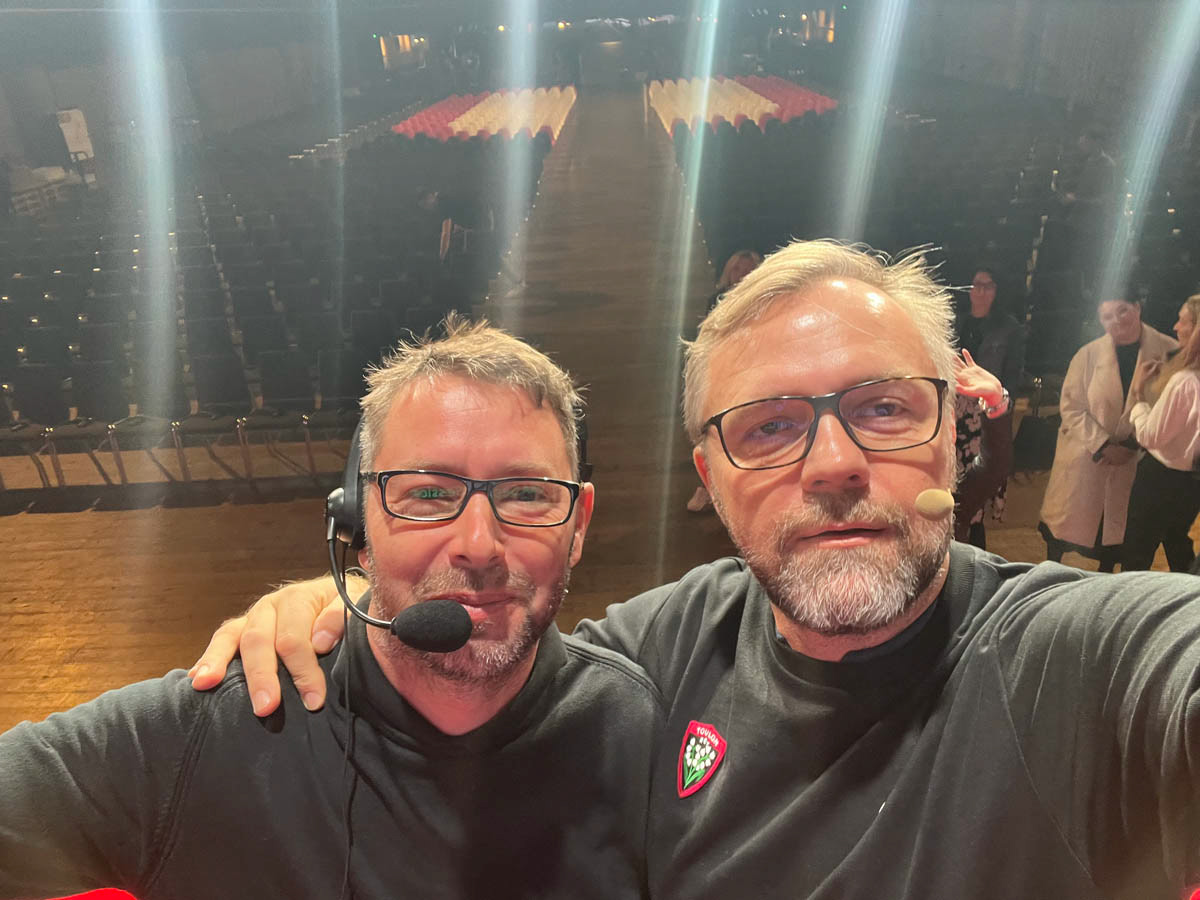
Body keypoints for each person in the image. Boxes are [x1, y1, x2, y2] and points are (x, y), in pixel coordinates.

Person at [196, 240, 1200, 899]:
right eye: (768, 428)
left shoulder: (1084, 660)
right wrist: (346, 604)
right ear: (712, 481)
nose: (835, 463)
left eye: (885, 408)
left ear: (953, 439)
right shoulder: (659, 656)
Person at [0, 317, 662, 898]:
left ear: (579, 525)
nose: (478, 544)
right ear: (357, 529)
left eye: (527, 494)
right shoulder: (214, 732)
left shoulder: (643, 733)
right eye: (429, 494)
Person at [1038, 296, 1176, 570]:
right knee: (1066, 535)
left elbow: (1173, 408)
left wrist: (1132, 445)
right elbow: (1071, 407)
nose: (1116, 321)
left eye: (1123, 311)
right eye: (1107, 316)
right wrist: (1103, 445)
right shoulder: (1087, 355)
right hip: (1088, 459)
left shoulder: (1170, 351)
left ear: (1138, 307)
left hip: (1138, 460)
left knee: (1122, 540)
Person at [1120, 295, 1200, 571]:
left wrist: (1139, 395)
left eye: (1183, 321)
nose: (1176, 327)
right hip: (1192, 482)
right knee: (1179, 546)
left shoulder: (1185, 382)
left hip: (1160, 479)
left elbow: (1150, 436)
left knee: (1136, 554)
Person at [688, 248, 763, 511]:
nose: (741, 275)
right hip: (725, 369)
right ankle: (709, 486)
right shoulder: (717, 299)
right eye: (737, 269)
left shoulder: (764, 299)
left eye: (748, 270)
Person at [952, 267, 1023, 547]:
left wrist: (998, 403)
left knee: (977, 489)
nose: (980, 291)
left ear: (997, 291)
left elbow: (1012, 376)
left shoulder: (1009, 328)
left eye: (988, 286)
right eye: (976, 284)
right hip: (953, 414)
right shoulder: (954, 322)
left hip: (987, 413)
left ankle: (973, 546)